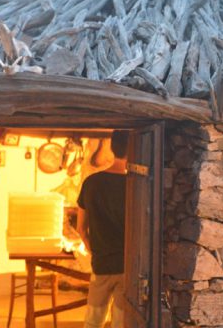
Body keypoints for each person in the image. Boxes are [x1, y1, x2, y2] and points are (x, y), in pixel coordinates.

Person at [77, 131, 128, 328]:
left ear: (111, 148)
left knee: (93, 321)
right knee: (121, 322)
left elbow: (81, 229)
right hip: (127, 267)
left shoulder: (91, 183)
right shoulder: (135, 185)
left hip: (102, 265)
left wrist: (94, 252)